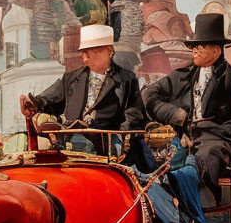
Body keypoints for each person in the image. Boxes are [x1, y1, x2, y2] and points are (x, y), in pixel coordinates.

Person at [142, 13, 231, 199]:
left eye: (200, 46)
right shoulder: (180, 76)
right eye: (193, 46)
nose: (194, 50)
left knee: (206, 156)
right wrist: (175, 115)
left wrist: (216, 130)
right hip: (181, 138)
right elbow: (148, 95)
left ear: (216, 50)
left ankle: (201, 213)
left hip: (216, 142)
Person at [20, 24, 146, 153]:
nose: (85, 58)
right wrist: (35, 103)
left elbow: (134, 115)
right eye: (84, 53)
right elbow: (50, 99)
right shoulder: (71, 78)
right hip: (70, 144)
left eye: (93, 52)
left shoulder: (126, 79)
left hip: (106, 147)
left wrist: (120, 140)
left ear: (109, 51)